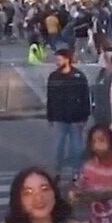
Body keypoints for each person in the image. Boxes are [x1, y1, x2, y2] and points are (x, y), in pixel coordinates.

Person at [46, 49, 92, 184]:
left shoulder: (78, 76)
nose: (57, 62)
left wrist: (85, 117)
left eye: (59, 59)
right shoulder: (53, 76)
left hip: (75, 117)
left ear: (67, 60)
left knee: (76, 147)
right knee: (58, 147)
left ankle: (76, 173)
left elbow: (85, 97)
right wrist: (50, 116)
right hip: (60, 117)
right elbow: (50, 97)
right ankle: (57, 172)